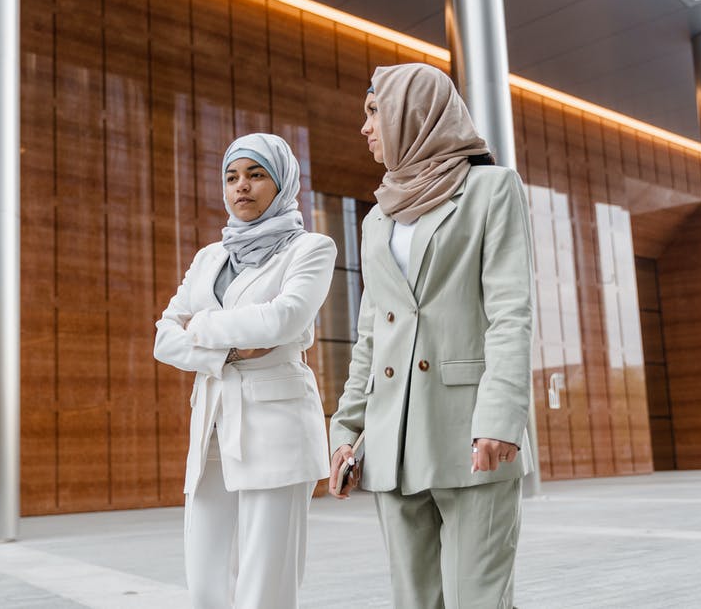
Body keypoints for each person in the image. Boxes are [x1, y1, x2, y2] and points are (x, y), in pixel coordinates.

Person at [328, 63, 535, 609]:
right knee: (414, 601)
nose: (366, 127)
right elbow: (370, 334)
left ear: (411, 113)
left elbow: (510, 314)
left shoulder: (492, 189)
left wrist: (500, 416)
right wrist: (346, 430)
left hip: (472, 433)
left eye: (374, 112)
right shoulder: (378, 217)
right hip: (391, 439)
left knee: (479, 599)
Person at [154, 132, 337, 609]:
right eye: (232, 177)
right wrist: (228, 351)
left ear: (282, 183)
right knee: (205, 576)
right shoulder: (209, 258)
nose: (242, 187)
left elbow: (283, 319)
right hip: (211, 426)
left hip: (275, 425)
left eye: (256, 175)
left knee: (265, 580)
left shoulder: (311, 248)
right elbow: (163, 338)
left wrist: (201, 325)